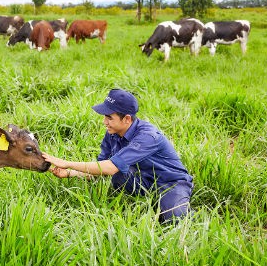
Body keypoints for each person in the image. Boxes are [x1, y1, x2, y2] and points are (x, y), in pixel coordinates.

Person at [42, 88, 193, 223]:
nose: (104, 122)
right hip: (143, 180)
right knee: (118, 174)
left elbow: (109, 167)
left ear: (127, 119)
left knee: (174, 219)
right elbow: (100, 170)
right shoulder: (113, 133)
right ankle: (140, 203)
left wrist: (66, 163)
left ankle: (180, 207)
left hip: (170, 182)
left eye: (109, 118)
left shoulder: (147, 136)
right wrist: (68, 173)